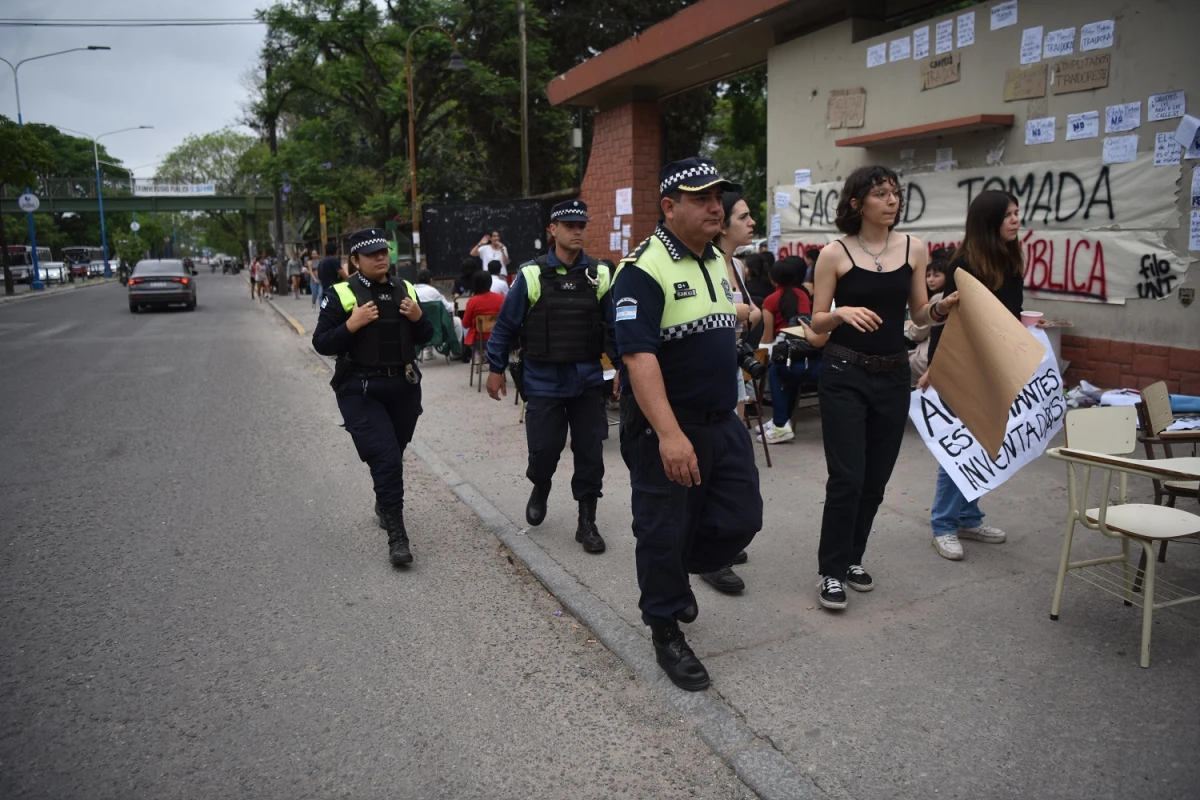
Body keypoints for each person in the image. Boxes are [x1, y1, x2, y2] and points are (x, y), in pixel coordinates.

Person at [613, 157, 763, 691]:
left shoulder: (715, 263)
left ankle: (680, 569)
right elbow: (638, 358)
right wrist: (671, 436)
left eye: (718, 197)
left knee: (742, 516)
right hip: (668, 429)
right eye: (702, 199)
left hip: (723, 421)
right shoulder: (642, 269)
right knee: (663, 530)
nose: (715, 207)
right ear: (669, 207)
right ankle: (665, 627)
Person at [807, 165, 958, 611]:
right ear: (857, 204)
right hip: (843, 373)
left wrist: (942, 306)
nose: (892, 200)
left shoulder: (914, 248)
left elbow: (917, 315)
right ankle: (831, 571)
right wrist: (840, 314)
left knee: (875, 480)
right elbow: (816, 322)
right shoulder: (834, 253)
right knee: (848, 477)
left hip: (893, 376)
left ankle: (853, 558)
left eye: (895, 192)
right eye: (880, 193)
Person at [485, 200, 613, 554]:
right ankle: (541, 485)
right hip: (543, 382)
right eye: (569, 225)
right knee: (544, 451)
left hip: (587, 380)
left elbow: (614, 329)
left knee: (590, 453)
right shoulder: (530, 274)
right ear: (552, 230)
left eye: (581, 225)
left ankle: (586, 522)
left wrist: (627, 371)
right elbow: (506, 326)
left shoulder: (600, 274)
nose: (577, 231)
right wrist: (495, 368)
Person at [311, 228, 433, 567]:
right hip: (360, 389)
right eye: (372, 254)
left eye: (384, 251)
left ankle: (384, 500)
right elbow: (321, 343)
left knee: (395, 450)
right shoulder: (340, 294)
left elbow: (426, 336)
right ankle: (397, 535)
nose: (381, 258)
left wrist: (419, 318)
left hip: (404, 387)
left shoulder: (404, 288)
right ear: (355, 261)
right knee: (386, 458)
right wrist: (352, 324)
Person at [920, 191, 1022, 561]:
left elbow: (1011, 315)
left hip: (996, 366)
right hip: (962, 365)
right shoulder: (963, 264)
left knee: (985, 442)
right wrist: (935, 369)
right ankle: (943, 525)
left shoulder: (1010, 257)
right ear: (989, 220)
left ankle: (968, 515)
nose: (1016, 219)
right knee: (961, 446)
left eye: (1016, 212)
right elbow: (951, 322)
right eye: (1008, 214)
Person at [702, 191, 763, 595]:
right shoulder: (704, 265)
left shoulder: (738, 266)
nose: (752, 222)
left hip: (734, 370)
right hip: (707, 372)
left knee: (731, 458)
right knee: (713, 462)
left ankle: (717, 539)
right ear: (723, 224)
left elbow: (753, 315)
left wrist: (752, 314)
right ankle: (710, 554)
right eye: (743, 216)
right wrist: (738, 312)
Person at [759, 256, 828, 444]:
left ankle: (780, 424)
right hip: (808, 354)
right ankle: (780, 421)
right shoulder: (803, 295)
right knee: (790, 377)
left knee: (775, 371)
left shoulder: (770, 301)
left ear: (773, 279)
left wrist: (760, 357)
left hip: (787, 352)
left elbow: (767, 336)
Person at [904, 254, 948, 385]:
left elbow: (917, 333)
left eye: (936, 275)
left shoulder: (938, 299)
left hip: (928, 356)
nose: (930, 280)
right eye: (928, 276)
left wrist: (908, 326)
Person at [462, 270, 505, 363]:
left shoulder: (472, 301)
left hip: (479, 341)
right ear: (490, 283)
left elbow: (465, 324)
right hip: (499, 339)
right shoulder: (501, 298)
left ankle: (478, 354)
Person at [413, 267, 464, 344]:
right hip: (436, 326)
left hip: (417, 326)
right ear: (430, 280)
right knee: (457, 321)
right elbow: (449, 308)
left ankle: (427, 351)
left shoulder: (412, 289)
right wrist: (455, 304)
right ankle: (456, 350)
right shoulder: (432, 291)